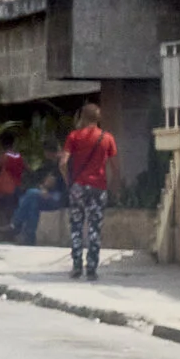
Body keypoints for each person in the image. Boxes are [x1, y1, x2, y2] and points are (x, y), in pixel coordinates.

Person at [61, 101, 118, 280]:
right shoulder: (107, 138)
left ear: (82, 118)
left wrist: (68, 181)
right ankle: (92, 268)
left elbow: (63, 163)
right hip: (98, 187)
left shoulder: (74, 136)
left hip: (78, 186)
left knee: (76, 226)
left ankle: (77, 265)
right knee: (95, 227)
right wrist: (115, 185)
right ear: (98, 117)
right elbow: (115, 166)